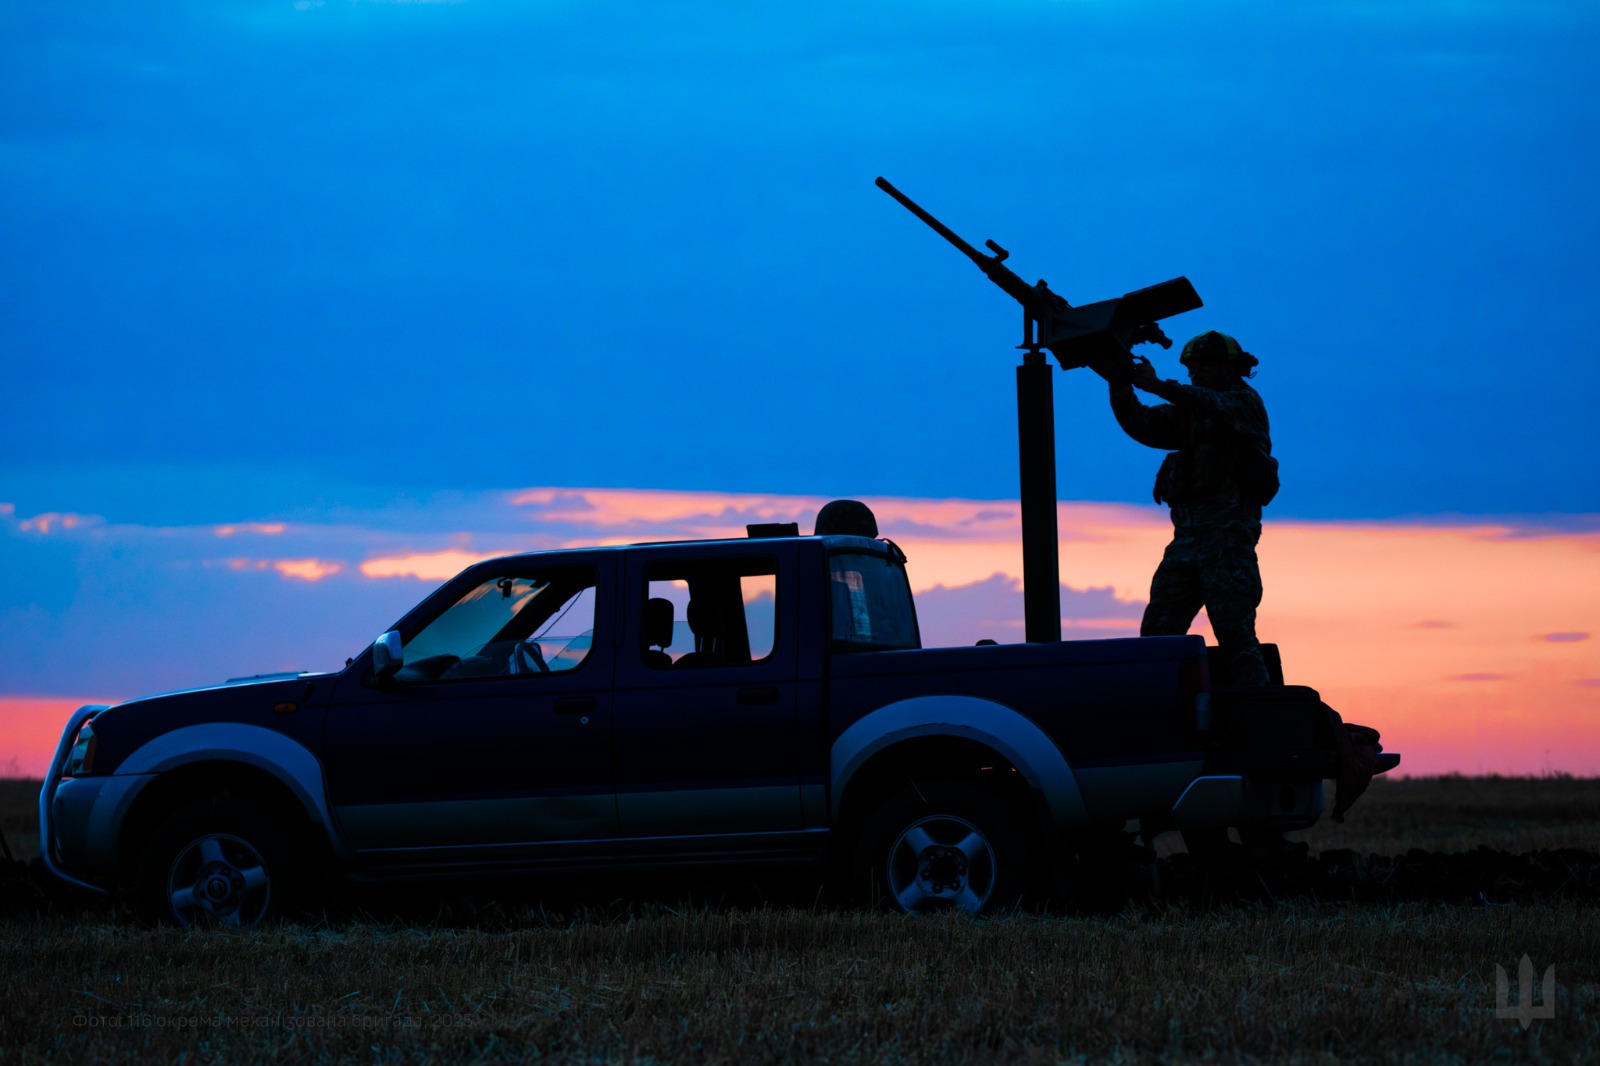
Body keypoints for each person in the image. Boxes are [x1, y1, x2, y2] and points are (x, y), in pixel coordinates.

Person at [1108, 330, 1275, 686]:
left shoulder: (1243, 404)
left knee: (1235, 633)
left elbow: (1207, 402)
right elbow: (1145, 425)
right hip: (1187, 541)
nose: (1196, 373)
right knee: (1158, 633)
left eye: (1205, 366)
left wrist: (1157, 385)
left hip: (1228, 540)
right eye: (1192, 367)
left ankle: (1264, 712)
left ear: (1231, 370)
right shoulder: (1192, 412)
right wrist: (1120, 387)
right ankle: (1154, 708)